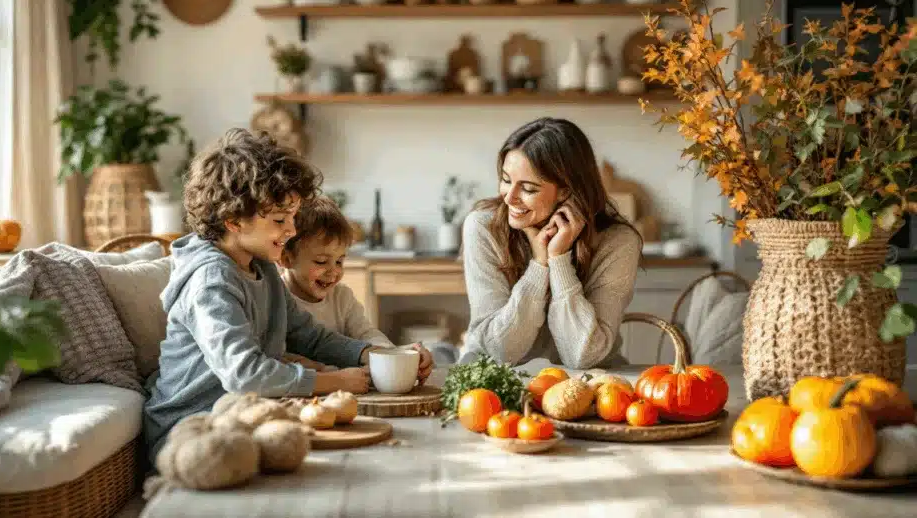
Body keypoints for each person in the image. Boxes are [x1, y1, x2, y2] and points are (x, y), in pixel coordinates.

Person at [143, 128, 431, 462]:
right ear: (234, 220)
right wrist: (329, 382)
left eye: (293, 217)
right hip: (192, 429)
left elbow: (310, 337)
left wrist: (376, 355)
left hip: (244, 415)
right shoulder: (211, 280)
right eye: (281, 219)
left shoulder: (261, 266)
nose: (292, 230)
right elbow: (244, 373)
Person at [460, 117, 642, 369]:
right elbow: (501, 351)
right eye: (505, 179)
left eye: (528, 188)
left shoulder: (618, 242)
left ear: (566, 191)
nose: (510, 198)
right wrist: (539, 265)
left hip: (587, 387)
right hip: (496, 384)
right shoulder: (483, 227)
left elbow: (583, 355)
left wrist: (559, 261)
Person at [279, 195, 395, 373]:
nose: (333, 272)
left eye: (339, 261)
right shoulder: (274, 297)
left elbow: (366, 333)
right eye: (321, 262)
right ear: (287, 259)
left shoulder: (342, 297)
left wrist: (390, 354)